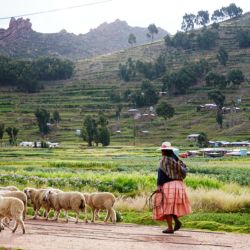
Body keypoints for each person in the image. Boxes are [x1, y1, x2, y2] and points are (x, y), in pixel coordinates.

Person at [153, 141, 192, 234]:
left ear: (163, 151)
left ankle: (170, 228)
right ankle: (177, 221)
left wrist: (159, 185)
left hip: (169, 185)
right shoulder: (176, 159)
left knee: (166, 206)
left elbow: (161, 174)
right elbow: (184, 171)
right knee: (172, 205)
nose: (162, 152)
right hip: (179, 185)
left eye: (162, 150)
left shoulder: (164, 160)